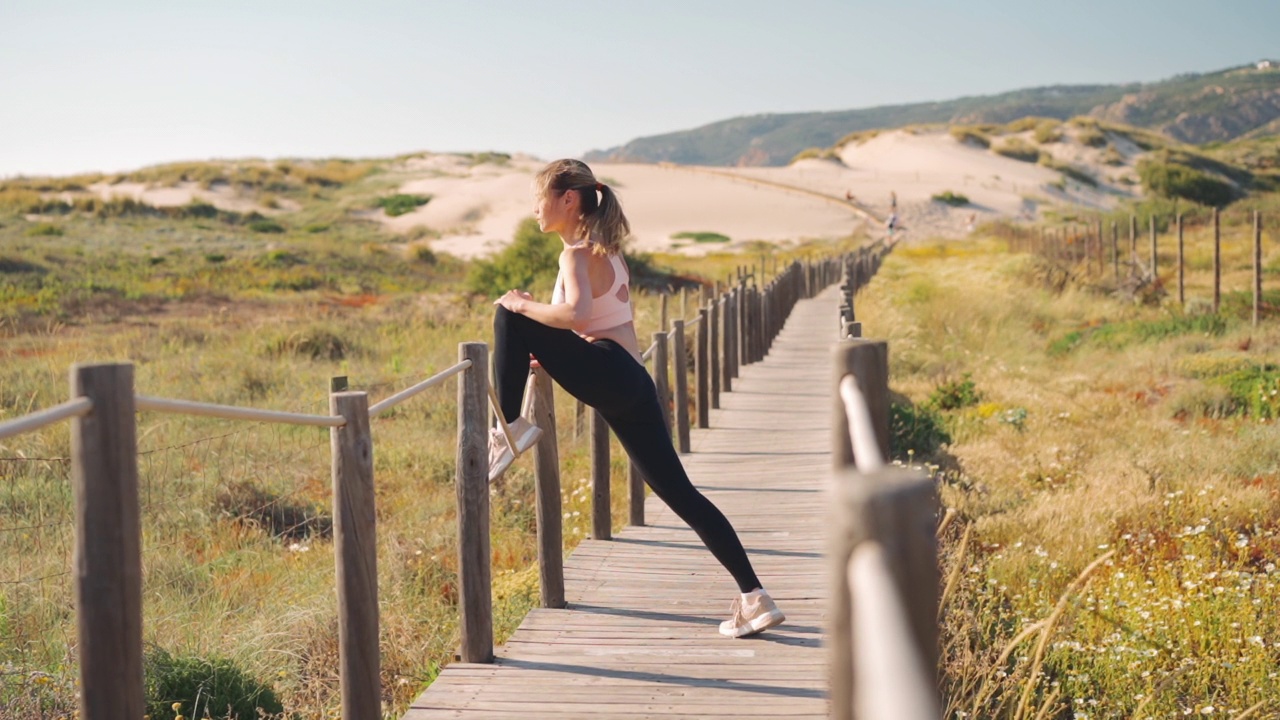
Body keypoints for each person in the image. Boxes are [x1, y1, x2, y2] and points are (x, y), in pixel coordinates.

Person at [489, 158, 785, 638]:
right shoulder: (608, 251)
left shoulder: (576, 254)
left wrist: (521, 304)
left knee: (507, 313)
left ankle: (506, 429)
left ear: (567, 199)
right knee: (682, 494)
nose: (534, 210)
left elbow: (574, 312)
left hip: (612, 373)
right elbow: (597, 324)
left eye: (538, 198)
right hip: (631, 384)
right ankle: (756, 598)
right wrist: (548, 350)